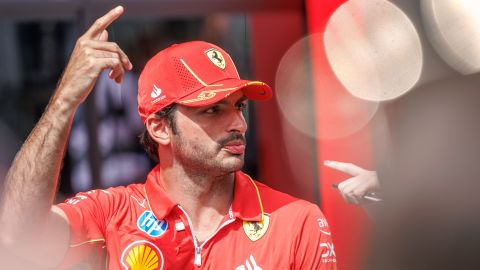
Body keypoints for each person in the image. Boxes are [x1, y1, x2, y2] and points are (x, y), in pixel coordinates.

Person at [0, 6, 336, 269]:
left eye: (240, 106)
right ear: (160, 128)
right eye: (212, 109)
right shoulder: (113, 214)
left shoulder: (298, 221)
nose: (239, 123)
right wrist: (63, 103)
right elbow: (17, 235)